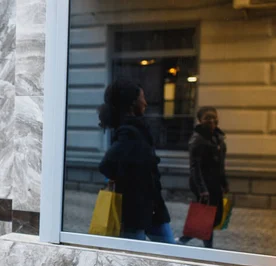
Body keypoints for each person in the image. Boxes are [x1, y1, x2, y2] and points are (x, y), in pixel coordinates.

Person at [97, 78, 174, 244]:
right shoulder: (130, 132)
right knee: (132, 259)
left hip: (152, 207)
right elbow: (107, 165)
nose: (145, 102)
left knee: (171, 252)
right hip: (135, 210)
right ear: (133, 103)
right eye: (142, 98)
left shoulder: (137, 129)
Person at [178, 106, 228, 248]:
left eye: (214, 117)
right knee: (208, 216)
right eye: (207, 118)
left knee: (215, 217)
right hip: (203, 184)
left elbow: (221, 164)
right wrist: (202, 189)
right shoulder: (197, 140)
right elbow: (195, 167)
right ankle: (207, 248)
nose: (211, 120)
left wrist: (224, 182)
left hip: (215, 183)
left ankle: (185, 238)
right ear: (200, 121)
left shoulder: (219, 138)